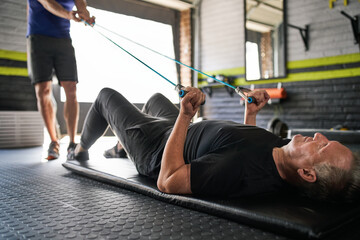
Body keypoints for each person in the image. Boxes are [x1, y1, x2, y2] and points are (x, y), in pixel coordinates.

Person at [68, 87, 360, 202]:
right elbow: (246, 143)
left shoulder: (239, 171)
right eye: (326, 139)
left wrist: (184, 116)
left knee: (106, 97)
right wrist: (251, 114)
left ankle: (79, 150)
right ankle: (121, 147)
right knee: (156, 98)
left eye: (322, 147)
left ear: (308, 174)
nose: (319, 137)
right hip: (183, 130)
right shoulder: (284, 156)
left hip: (158, 147)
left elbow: (167, 181)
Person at [26, 0, 95, 160]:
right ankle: (53, 141)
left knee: (71, 89)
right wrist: (68, 14)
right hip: (38, 36)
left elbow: (80, 2)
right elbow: (48, 3)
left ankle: (72, 143)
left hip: (63, 38)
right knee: (43, 91)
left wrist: (84, 13)